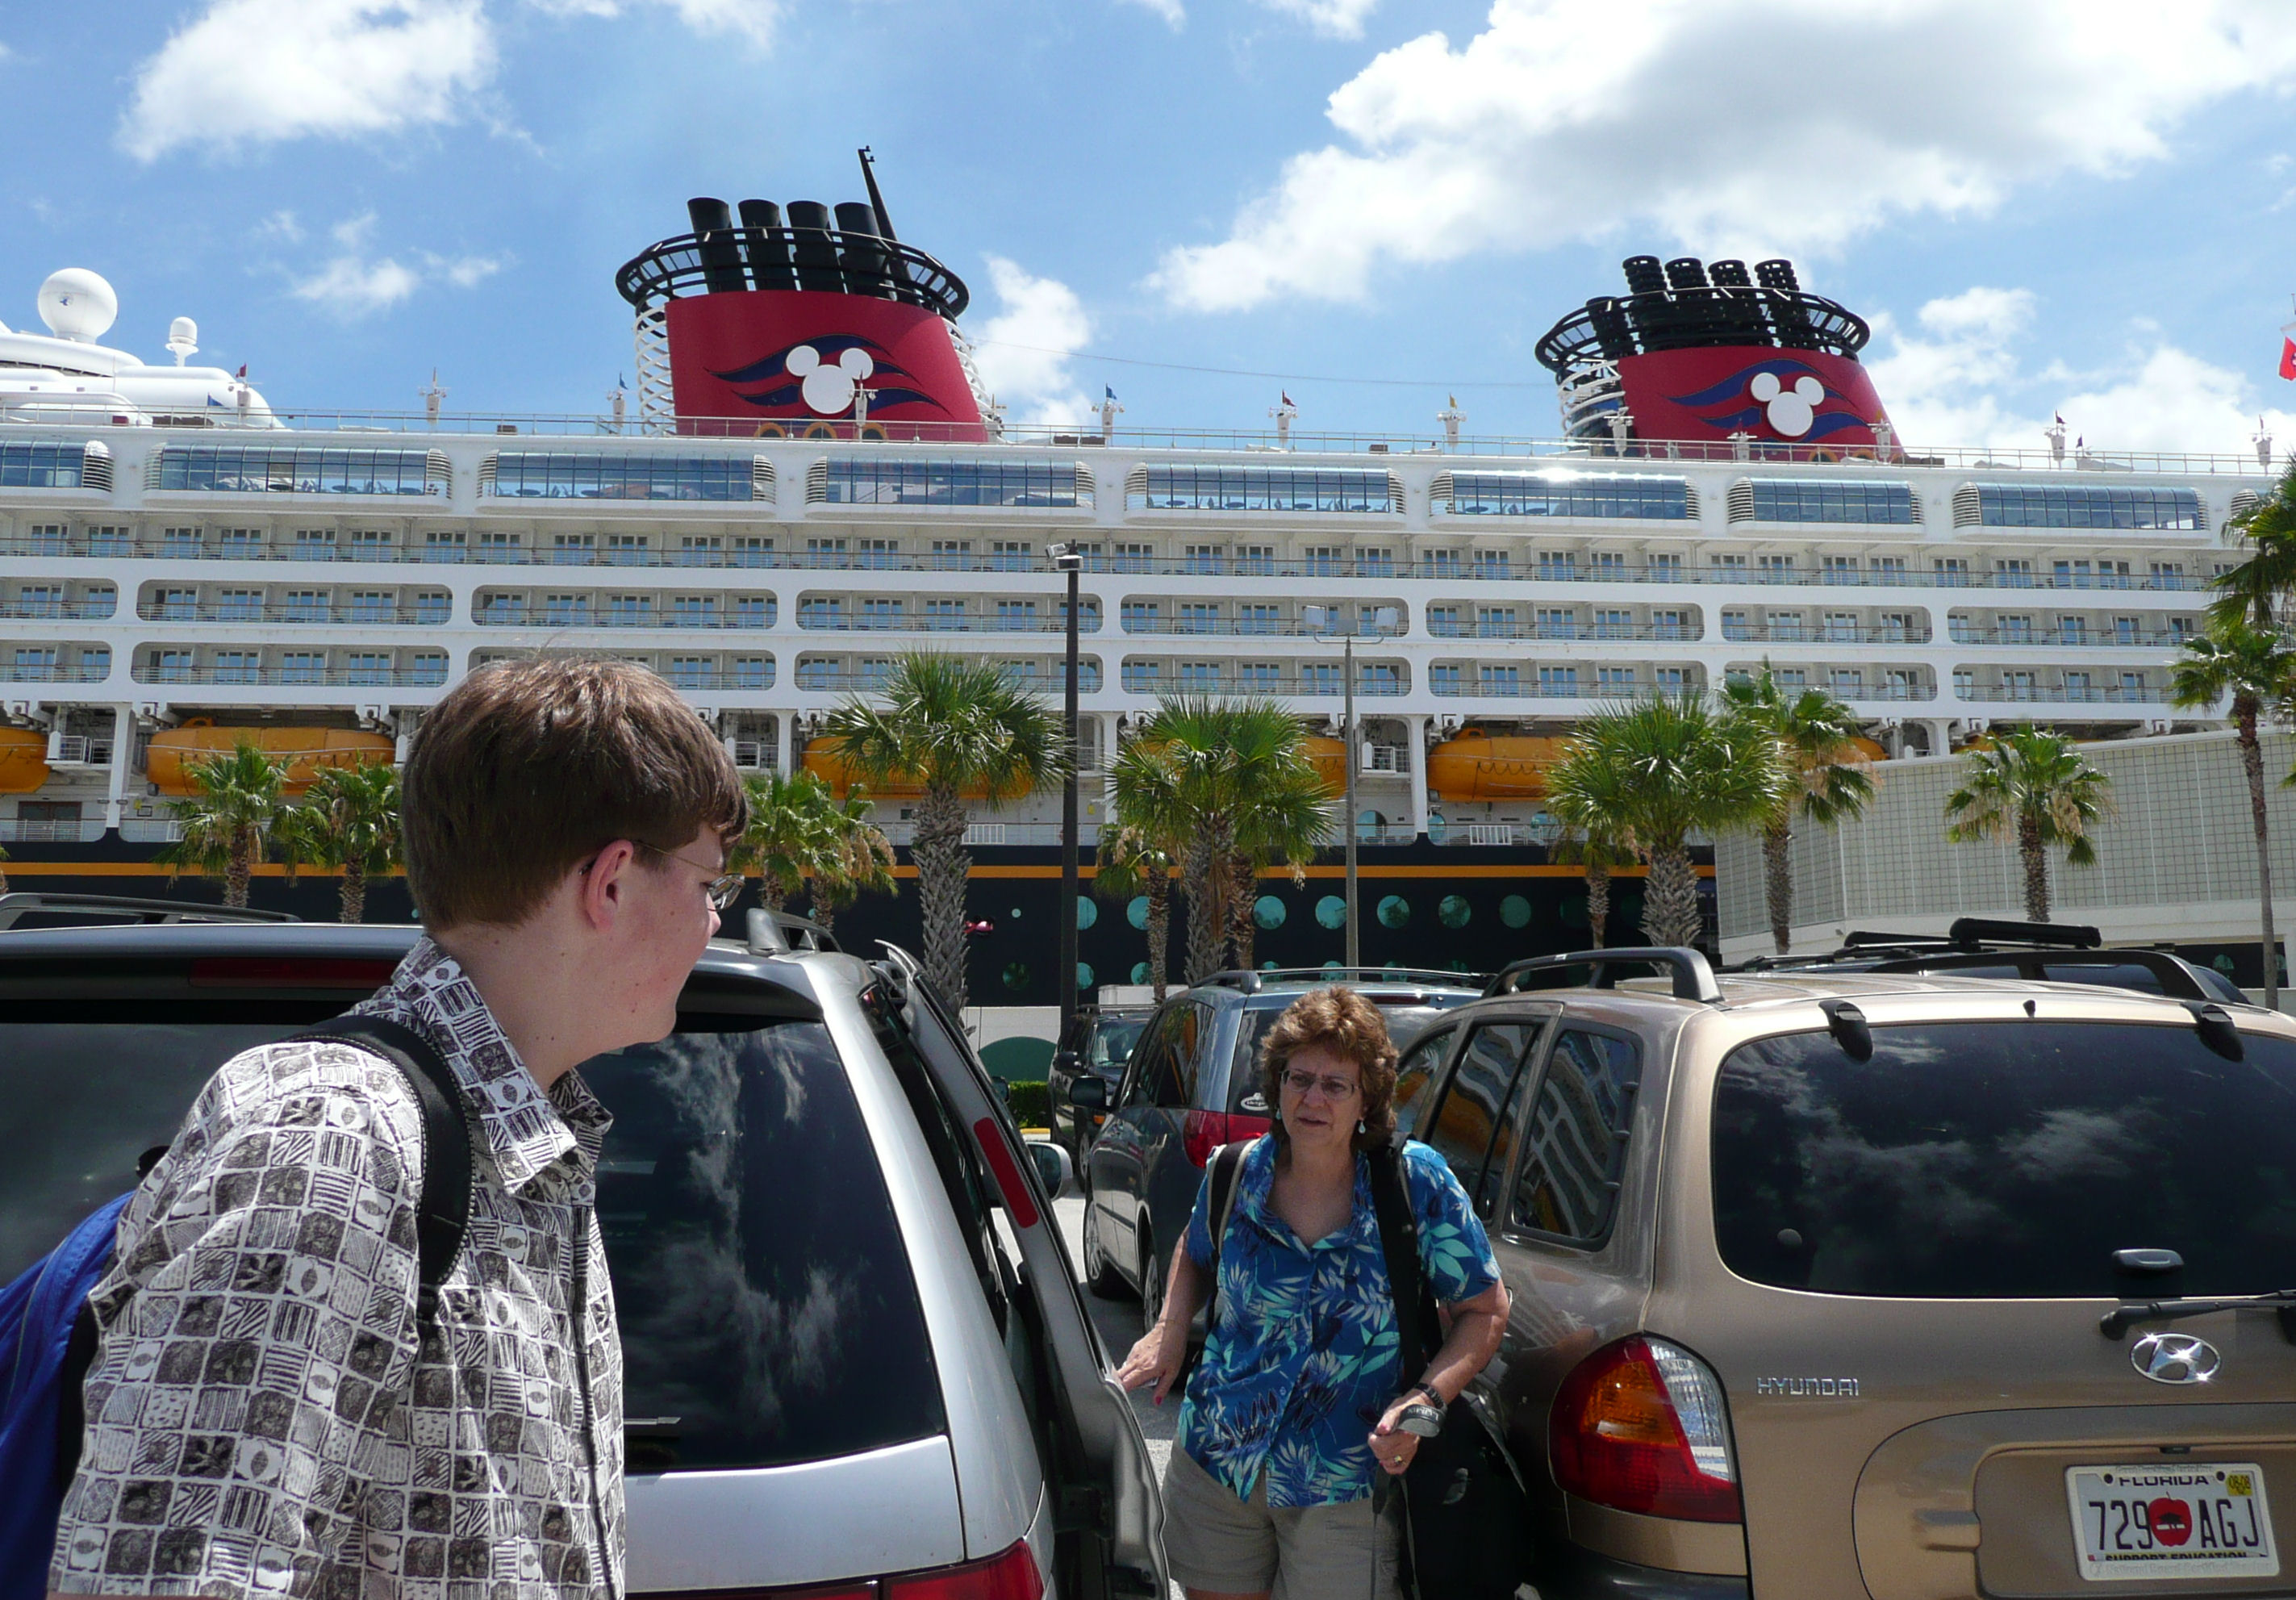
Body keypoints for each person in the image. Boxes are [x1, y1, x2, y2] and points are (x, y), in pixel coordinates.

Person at [48, 658, 745, 1600]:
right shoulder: (329, 1138)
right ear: (612, 883)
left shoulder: (532, 1146)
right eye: (710, 879)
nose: (714, 920)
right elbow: (162, 1574)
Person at [1117, 988, 1509, 1600]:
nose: (1313, 1097)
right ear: (1277, 1084)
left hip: (1346, 1478)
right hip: (1221, 1459)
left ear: (1367, 1099)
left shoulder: (1416, 1181)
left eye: (1336, 1084)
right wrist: (1170, 1327)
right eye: (1299, 1077)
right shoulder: (1236, 1170)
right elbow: (1194, 1251)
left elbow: (1485, 1310)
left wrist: (1425, 1399)